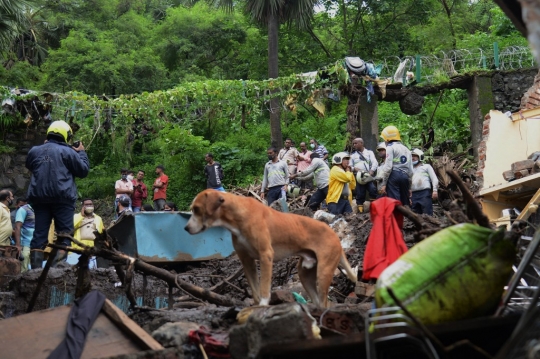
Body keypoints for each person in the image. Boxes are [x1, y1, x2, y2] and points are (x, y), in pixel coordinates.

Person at [26, 120, 89, 269]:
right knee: (64, 235)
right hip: (62, 198)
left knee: (39, 234)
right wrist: (81, 152)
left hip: (39, 198)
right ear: (66, 135)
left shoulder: (34, 150)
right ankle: (56, 273)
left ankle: (35, 272)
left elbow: (30, 165)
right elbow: (83, 170)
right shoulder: (68, 152)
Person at [378, 126, 413, 206]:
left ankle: (395, 218)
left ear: (387, 139)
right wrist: (410, 187)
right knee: (405, 203)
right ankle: (406, 218)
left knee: (395, 202)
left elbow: (388, 167)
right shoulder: (407, 149)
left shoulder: (390, 148)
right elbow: (411, 170)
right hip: (405, 177)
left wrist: (384, 184)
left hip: (394, 176)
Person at [69, 198, 104, 268]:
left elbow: (101, 234)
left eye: (90, 204)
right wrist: (81, 216)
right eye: (86, 205)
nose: (89, 206)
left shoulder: (98, 218)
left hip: (92, 253)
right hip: (76, 252)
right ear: (82, 206)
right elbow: (70, 228)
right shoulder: (75, 217)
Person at [350, 138, 378, 213]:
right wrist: (354, 168)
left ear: (361, 143)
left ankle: (373, 209)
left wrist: (371, 171)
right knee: (360, 194)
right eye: (353, 144)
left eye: (356, 143)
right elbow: (349, 166)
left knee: (372, 190)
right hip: (359, 177)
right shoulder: (353, 155)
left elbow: (374, 162)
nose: (354, 145)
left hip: (367, 176)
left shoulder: (369, 153)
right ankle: (361, 212)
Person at [411, 148, 439, 215]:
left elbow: (434, 179)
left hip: (424, 193)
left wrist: (435, 190)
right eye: (411, 156)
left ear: (420, 157)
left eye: (415, 156)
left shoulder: (426, 167)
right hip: (413, 194)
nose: (412, 158)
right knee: (415, 215)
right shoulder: (410, 169)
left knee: (427, 213)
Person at [14, 201, 34, 272]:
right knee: (23, 267)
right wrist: (18, 245)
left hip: (37, 244)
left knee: (35, 269)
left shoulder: (40, 210)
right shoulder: (23, 209)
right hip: (25, 243)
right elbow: (17, 227)